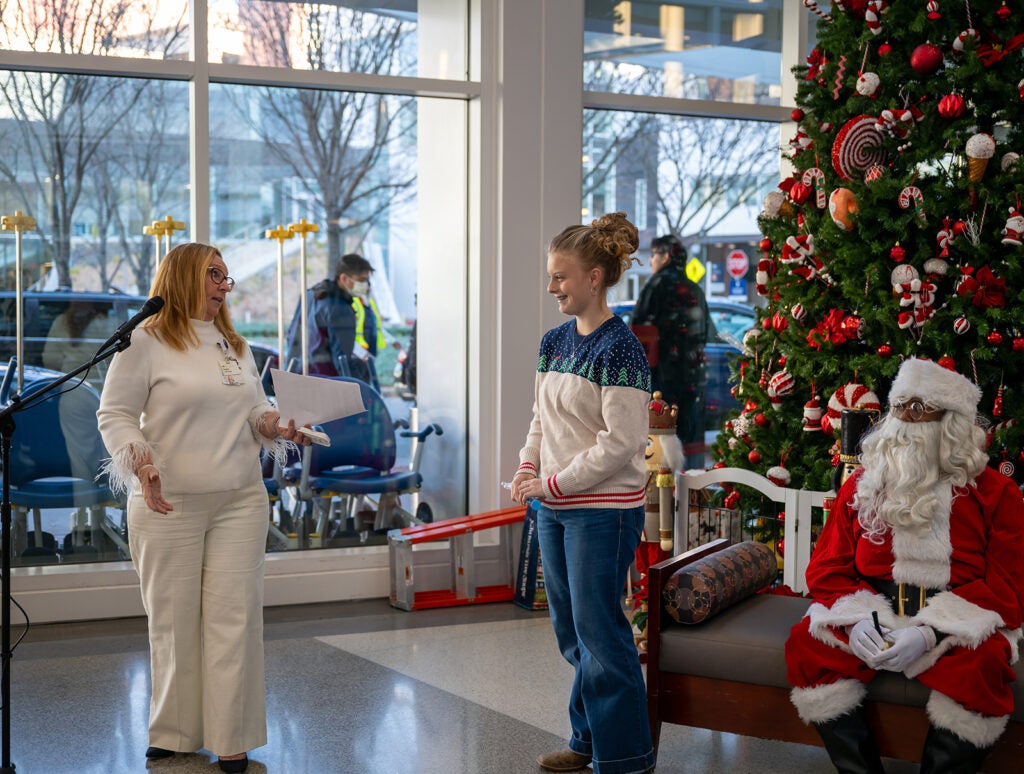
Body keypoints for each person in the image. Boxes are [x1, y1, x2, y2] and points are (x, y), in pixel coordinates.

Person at [97, 242, 311, 773]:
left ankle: (231, 736)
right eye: (214, 274)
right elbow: (115, 413)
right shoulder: (143, 341)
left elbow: (254, 409)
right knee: (173, 622)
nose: (224, 285)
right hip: (168, 502)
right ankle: (173, 732)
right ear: (183, 276)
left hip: (239, 499)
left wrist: (275, 424)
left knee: (233, 618)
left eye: (227, 277)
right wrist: (139, 461)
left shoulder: (232, 344)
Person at [785, 358, 1024, 773]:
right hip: (876, 611)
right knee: (808, 645)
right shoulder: (863, 486)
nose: (906, 423)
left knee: (981, 667)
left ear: (953, 427)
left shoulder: (996, 493)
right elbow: (827, 567)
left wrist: (931, 631)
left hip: (956, 618)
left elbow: (1008, 585)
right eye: (900, 409)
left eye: (920, 410)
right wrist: (858, 618)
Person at [510, 212, 655, 774]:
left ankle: (626, 758)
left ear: (595, 277)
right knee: (572, 632)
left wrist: (551, 482)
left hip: (602, 512)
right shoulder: (553, 343)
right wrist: (528, 466)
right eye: (551, 277)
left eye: (561, 277)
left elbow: (622, 443)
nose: (552, 288)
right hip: (555, 507)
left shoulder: (622, 349)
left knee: (601, 633)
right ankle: (588, 739)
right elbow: (540, 420)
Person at [630, 234, 708, 465]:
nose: (651, 261)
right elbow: (703, 335)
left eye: (654, 255)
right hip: (690, 378)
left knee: (659, 437)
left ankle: (660, 491)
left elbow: (639, 328)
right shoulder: (694, 290)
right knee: (686, 435)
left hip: (661, 375)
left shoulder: (656, 285)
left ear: (665, 256)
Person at [284, 253, 364, 377]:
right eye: (362, 280)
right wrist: (359, 388)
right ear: (343, 278)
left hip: (299, 372)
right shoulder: (340, 309)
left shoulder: (310, 296)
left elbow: (293, 336)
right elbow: (342, 359)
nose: (366, 285)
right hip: (325, 378)